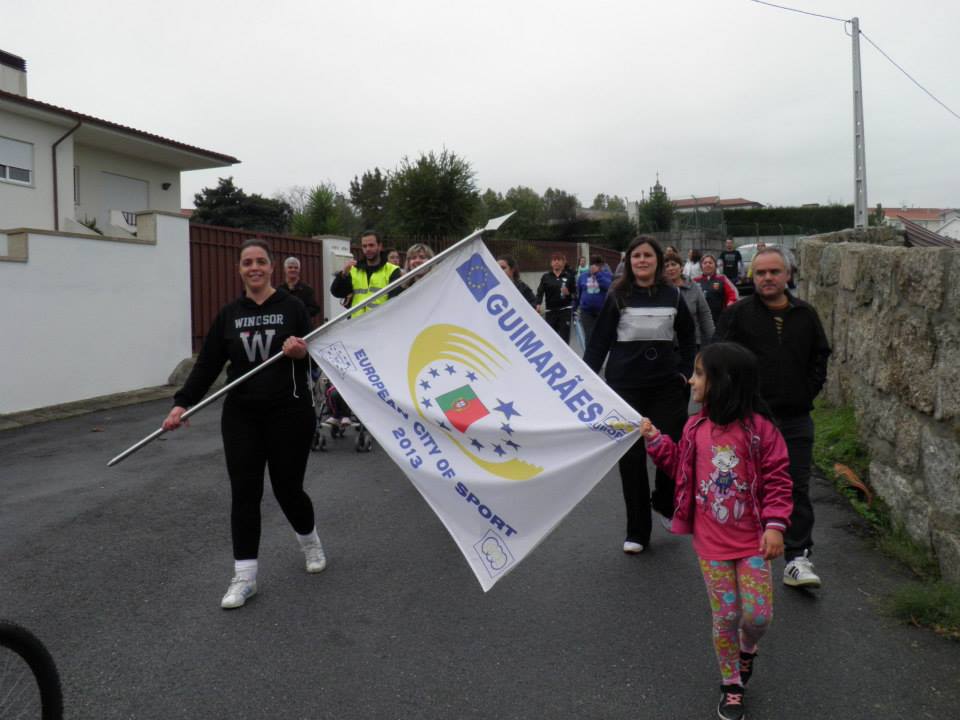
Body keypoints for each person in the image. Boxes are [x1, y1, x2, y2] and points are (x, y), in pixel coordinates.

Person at [162, 239, 326, 610]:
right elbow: (207, 365)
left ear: (271, 268)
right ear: (240, 269)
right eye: (247, 262)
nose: (254, 268)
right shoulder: (229, 315)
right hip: (242, 416)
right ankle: (245, 576)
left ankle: (310, 542)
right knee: (245, 493)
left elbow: (315, 357)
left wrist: (301, 352)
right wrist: (182, 404)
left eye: (260, 262)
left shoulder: (293, 307)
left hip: (289, 412)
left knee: (288, 489)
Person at [641, 342, 793, 720]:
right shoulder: (696, 428)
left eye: (699, 373)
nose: (691, 381)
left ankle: (747, 649)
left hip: (753, 541)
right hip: (711, 543)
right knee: (725, 616)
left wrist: (776, 526)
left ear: (723, 381)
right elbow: (681, 468)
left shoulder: (760, 431)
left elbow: (778, 480)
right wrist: (656, 441)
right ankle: (731, 684)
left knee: (757, 617)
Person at [715, 247, 831, 589]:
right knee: (744, 487)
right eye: (761, 272)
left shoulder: (805, 314)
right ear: (753, 276)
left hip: (795, 418)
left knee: (795, 485)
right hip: (748, 419)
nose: (767, 278)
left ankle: (797, 557)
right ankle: (743, 554)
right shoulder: (737, 315)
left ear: (787, 275)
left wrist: (805, 393)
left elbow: (820, 357)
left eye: (774, 272)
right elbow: (716, 357)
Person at [583, 235, 696, 554]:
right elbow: (599, 342)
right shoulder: (617, 295)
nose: (642, 260)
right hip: (625, 390)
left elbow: (689, 336)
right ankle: (637, 532)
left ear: (658, 261)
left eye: (648, 255)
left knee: (673, 449)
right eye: (636, 256)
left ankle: (664, 500)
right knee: (631, 462)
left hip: (666, 388)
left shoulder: (673, 294)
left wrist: (685, 372)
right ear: (629, 262)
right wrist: (584, 380)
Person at [330, 231, 403, 316]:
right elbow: (337, 292)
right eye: (364, 246)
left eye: (371, 245)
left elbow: (395, 301)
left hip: (381, 321)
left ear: (380, 246)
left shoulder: (392, 270)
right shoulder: (354, 270)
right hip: (357, 321)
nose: (367, 249)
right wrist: (343, 274)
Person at [664, 252, 714, 349]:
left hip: (692, 343)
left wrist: (713, 340)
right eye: (666, 266)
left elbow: (704, 315)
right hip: (667, 346)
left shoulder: (693, 287)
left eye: (673, 264)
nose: (670, 268)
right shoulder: (660, 290)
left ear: (681, 267)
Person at [535, 252, 578, 343]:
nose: (556, 262)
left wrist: (568, 293)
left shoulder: (569, 277)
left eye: (559, 260)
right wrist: (538, 303)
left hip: (565, 311)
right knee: (551, 339)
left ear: (563, 262)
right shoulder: (546, 277)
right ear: (551, 263)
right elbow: (540, 291)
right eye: (554, 260)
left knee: (564, 339)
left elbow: (575, 295)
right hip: (551, 312)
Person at [574, 254, 612, 345]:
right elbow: (578, 293)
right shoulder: (583, 276)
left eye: (598, 264)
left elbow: (609, 287)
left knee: (602, 337)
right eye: (593, 263)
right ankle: (589, 354)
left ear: (602, 265)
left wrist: (597, 274)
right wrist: (574, 308)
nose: (595, 266)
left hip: (603, 312)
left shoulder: (607, 275)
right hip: (586, 312)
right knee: (589, 337)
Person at [695, 254, 739, 327]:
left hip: (719, 319)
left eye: (710, 262)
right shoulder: (695, 281)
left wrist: (730, 305)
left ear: (715, 265)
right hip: (700, 320)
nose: (707, 265)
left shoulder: (722, 279)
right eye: (705, 263)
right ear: (701, 266)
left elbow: (733, 294)